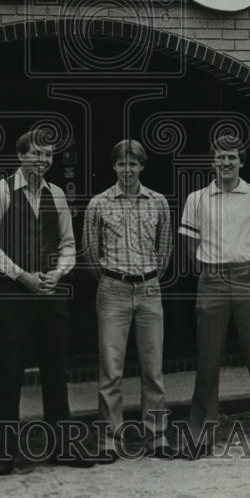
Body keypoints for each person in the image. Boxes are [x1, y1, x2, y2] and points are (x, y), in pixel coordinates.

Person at [0, 128, 94, 475]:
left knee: (56, 370)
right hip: (13, 295)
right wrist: (21, 275)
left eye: (48, 155)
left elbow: (69, 244)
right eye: (37, 154)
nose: (43, 161)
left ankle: (63, 448)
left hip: (49, 292)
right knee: (9, 373)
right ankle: (2, 453)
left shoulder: (55, 194)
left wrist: (57, 274)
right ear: (21, 155)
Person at [178, 136, 250, 458]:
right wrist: (212, 270)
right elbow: (190, 247)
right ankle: (200, 436)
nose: (225, 163)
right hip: (211, 279)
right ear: (212, 162)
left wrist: (248, 268)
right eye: (219, 158)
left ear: (241, 161)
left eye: (231, 158)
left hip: (249, 277)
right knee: (207, 361)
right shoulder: (197, 198)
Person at [84, 140, 174, 462]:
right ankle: (109, 440)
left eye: (133, 164)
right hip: (113, 289)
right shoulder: (98, 204)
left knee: (153, 368)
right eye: (122, 164)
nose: (127, 170)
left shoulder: (158, 202)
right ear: (114, 167)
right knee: (111, 369)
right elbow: (91, 253)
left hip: (149, 288)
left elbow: (164, 250)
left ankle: (157, 437)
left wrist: (148, 277)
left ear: (142, 166)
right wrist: (114, 280)